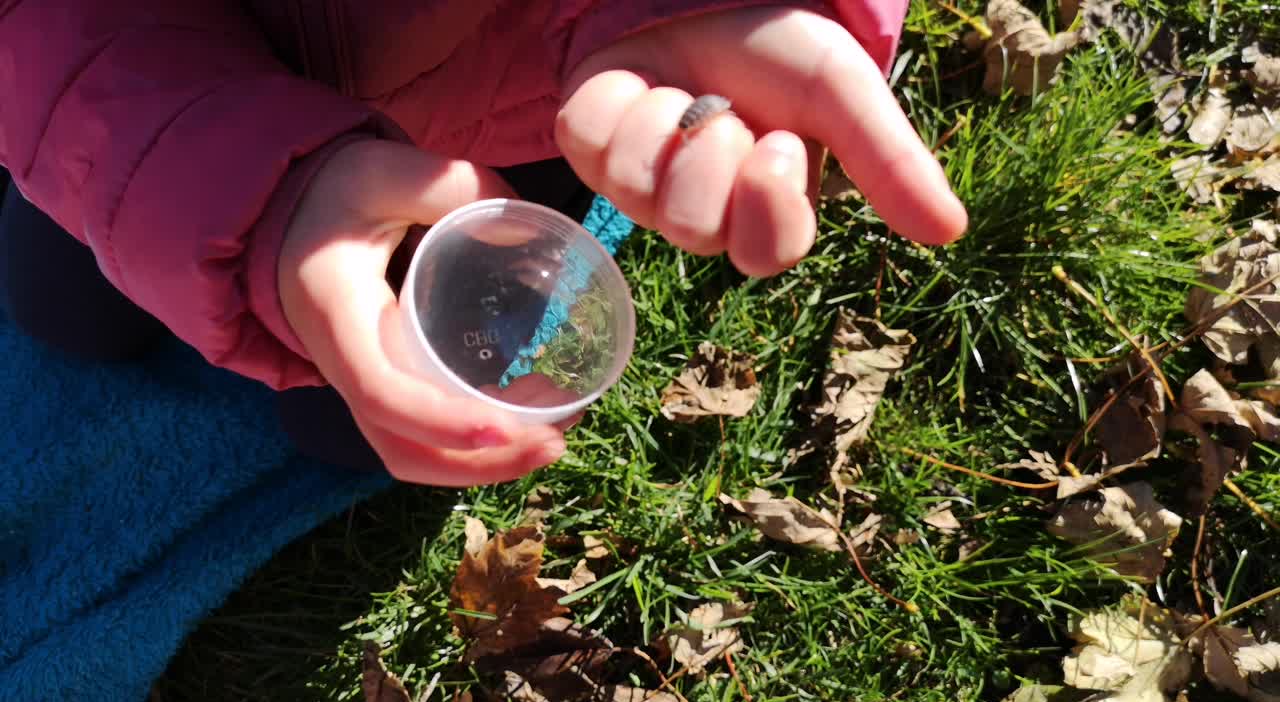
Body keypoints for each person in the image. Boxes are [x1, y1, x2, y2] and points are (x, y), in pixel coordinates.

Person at [0, 1, 967, 486]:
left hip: (532, 109)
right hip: (138, 98)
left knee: (355, 426)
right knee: (59, 311)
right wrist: (233, 185)